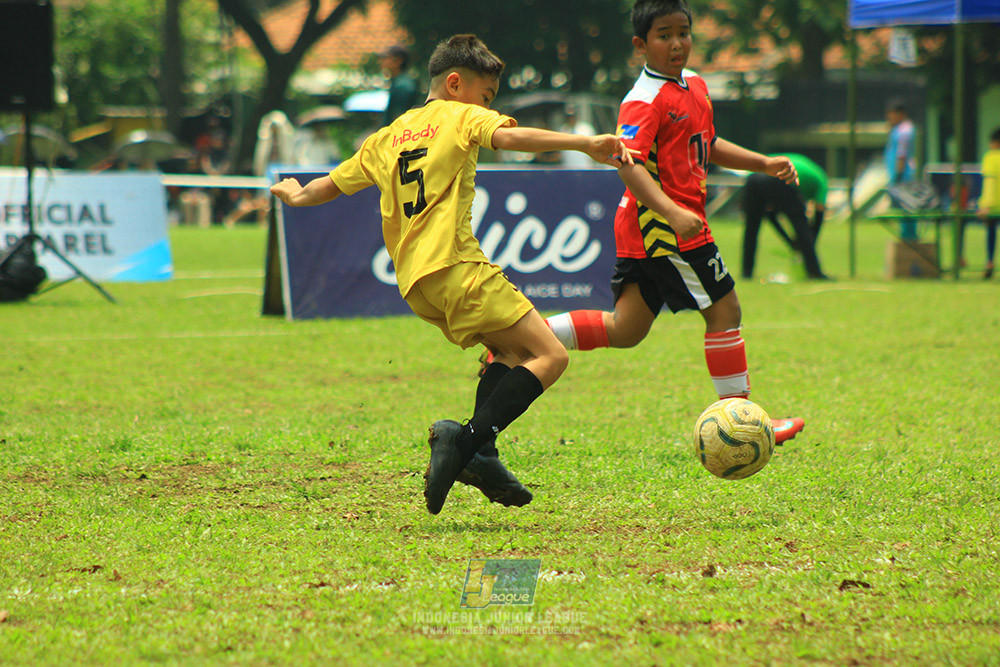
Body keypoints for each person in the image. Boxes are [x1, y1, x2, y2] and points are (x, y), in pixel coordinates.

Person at [270, 34, 632, 515]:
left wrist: (295, 195)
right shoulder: (460, 114)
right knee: (550, 355)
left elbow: (331, 185)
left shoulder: (385, 137)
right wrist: (585, 143)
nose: (488, 107)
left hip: (417, 286)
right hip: (457, 266)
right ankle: (462, 445)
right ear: (456, 83)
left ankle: (483, 454)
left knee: (507, 349)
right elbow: (512, 139)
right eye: (487, 97)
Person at [527, 0, 805, 444]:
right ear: (641, 44)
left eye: (683, 32)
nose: (677, 43)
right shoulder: (642, 100)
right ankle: (747, 425)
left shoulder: (694, 84)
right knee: (725, 309)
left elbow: (707, 142)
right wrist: (673, 211)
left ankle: (523, 338)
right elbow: (627, 163)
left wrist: (763, 163)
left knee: (627, 329)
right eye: (664, 35)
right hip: (663, 228)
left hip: (663, 225)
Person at [741, 152, 830, 280]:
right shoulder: (821, 180)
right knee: (800, 224)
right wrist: (809, 240)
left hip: (753, 177)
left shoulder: (807, 174)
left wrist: (790, 241)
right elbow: (819, 214)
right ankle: (814, 272)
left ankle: (746, 273)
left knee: (751, 228)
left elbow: (770, 216)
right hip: (779, 176)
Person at [885, 99, 918, 240]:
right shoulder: (898, 129)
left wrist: (898, 176)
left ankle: (909, 238)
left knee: (906, 209)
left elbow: (901, 155)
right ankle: (907, 237)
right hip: (899, 174)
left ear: (901, 114)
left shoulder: (904, 130)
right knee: (902, 209)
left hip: (903, 176)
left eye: (892, 115)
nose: (890, 118)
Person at [977, 126, 1000, 279]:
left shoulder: (991, 157)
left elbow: (990, 183)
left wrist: (985, 205)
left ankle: (990, 262)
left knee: (991, 233)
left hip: (994, 205)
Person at [379, 45, 421, 127]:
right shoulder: (399, 82)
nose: (382, 61)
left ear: (398, 61)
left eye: (386, 58)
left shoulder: (402, 86)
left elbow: (399, 118)